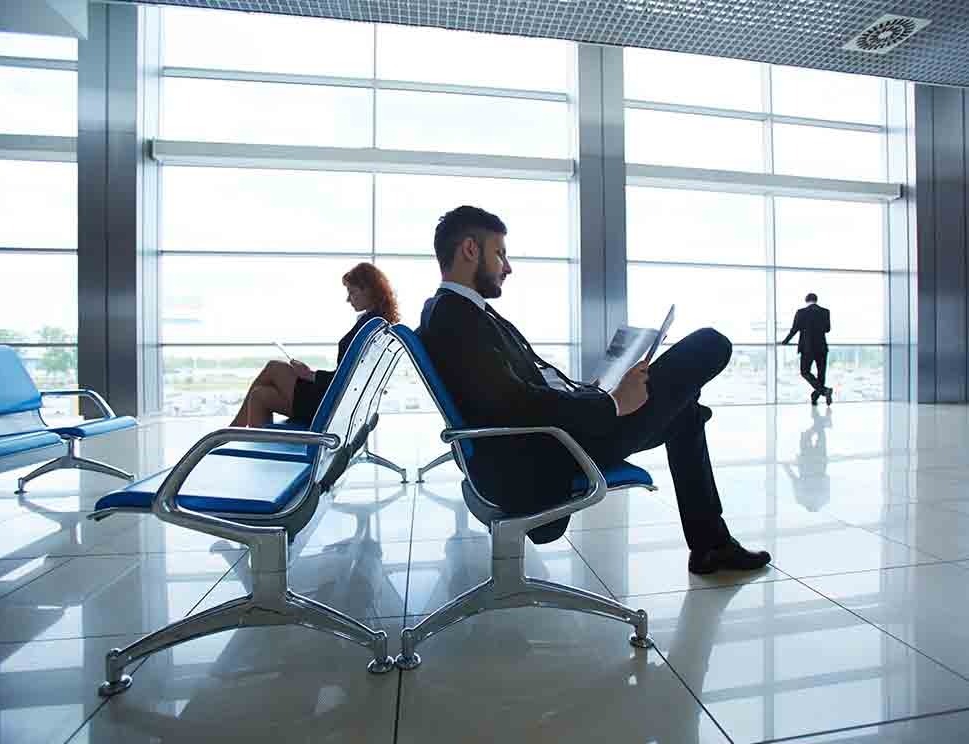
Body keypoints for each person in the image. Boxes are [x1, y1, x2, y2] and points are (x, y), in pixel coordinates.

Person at [418, 205, 771, 575]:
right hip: (548, 452)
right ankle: (712, 544)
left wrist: (592, 393)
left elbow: (509, 392)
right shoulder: (455, 317)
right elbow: (512, 404)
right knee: (710, 344)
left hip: (548, 439)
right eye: (500, 253)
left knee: (685, 412)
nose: (507, 267)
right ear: (470, 250)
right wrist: (613, 405)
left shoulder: (457, 312)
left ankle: (711, 546)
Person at [230, 262, 400, 428]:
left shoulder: (369, 326)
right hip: (338, 403)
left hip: (329, 405)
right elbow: (351, 377)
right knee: (260, 395)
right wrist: (310, 374)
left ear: (368, 290)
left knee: (274, 367)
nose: (348, 299)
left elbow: (347, 379)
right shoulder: (378, 325)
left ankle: (231, 431)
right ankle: (252, 446)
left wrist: (310, 375)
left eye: (352, 292)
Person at [782, 293, 832, 405]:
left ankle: (823, 391)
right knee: (821, 374)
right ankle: (816, 396)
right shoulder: (825, 312)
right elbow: (827, 329)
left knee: (805, 372)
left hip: (807, 348)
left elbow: (794, 329)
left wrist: (785, 341)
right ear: (816, 300)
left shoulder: (801, 312)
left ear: (806, 300)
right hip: (822, 347)